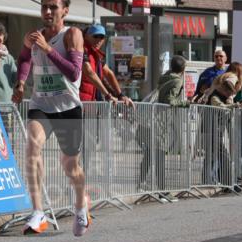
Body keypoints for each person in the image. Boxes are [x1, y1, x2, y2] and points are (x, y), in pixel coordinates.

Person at [13, 0, 89, 236]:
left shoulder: (73, 35)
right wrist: (21, 83)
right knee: (32, 146)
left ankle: (80, 204)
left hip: (67, 107)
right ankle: (38, 211)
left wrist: (48, 50)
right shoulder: (33, 36)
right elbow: (24, 58)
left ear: (65, 10)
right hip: (41, 104)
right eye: (44, 7)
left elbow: (75, 73)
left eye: (53, 7)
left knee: (70, 166)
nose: (47, 12)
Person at [137, 55, 187, 193]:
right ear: (183, 69)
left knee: (150, 152)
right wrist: (185, 104)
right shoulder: (177, 81)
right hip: (161, 120)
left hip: (152, 118)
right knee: (159, 153)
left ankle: (141, 182)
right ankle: (162, 188)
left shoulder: (164, 76)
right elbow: (170, 100)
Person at [80, 24, 132, 105]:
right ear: (86, 36)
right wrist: (107, 95)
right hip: (80, 100)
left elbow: (108, 73)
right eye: (95, 36)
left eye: (102, 37)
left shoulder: (97, 55)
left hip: (92, 101)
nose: (99, 40)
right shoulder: (82, 49)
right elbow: (89, 72)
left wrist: (120, 95)